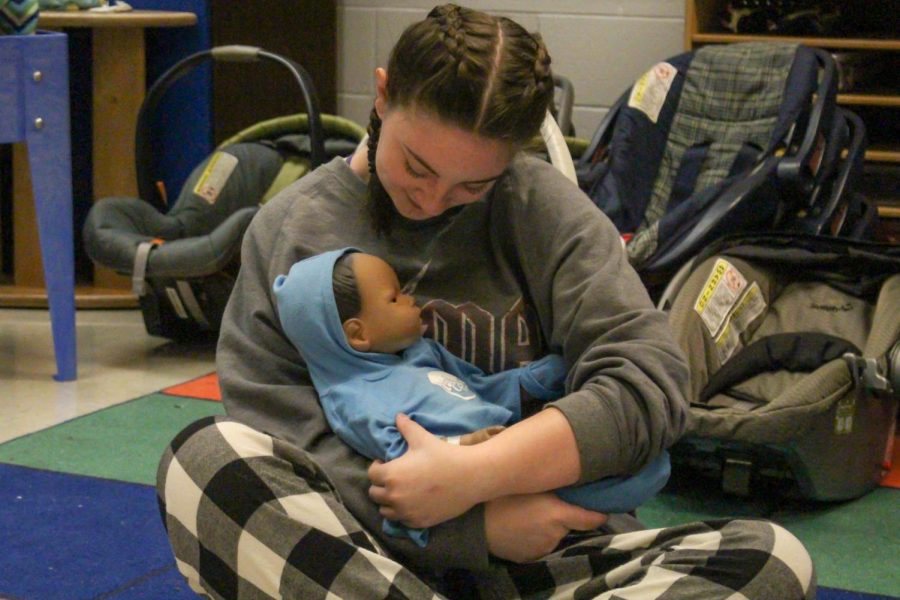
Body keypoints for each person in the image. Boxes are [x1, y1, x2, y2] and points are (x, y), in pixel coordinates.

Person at [156, 4, 817, 598]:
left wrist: (477, 477)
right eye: (416, 167)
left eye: (472, 185)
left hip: (553, 549)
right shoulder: (291, 229)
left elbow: (650, 386)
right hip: (371, 554)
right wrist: (471, 527)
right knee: (204, 463)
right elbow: (282, 432)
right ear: (383, 96)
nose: (433, 200)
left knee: (773, 559)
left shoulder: (546, 209)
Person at [272, 248, 672, 546]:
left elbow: (477, 387)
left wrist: (530, 381)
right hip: (486, 490)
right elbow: (397, 457)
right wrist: (463, 448)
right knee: (640, 474)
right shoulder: (355, 398)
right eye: (394, 298)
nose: (411, 299)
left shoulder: (422, 355)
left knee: (642, 456)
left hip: (517, 443)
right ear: (358, 333)